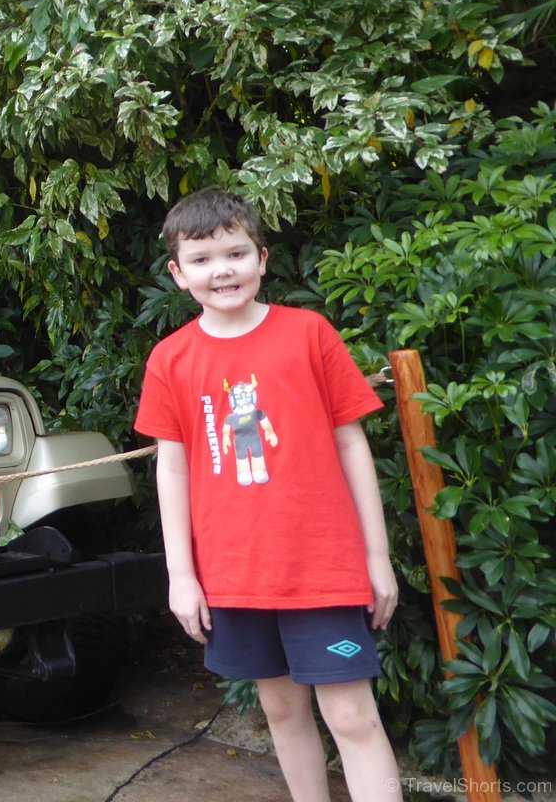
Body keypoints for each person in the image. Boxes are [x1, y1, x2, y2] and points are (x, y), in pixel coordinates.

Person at [136, 187, 401, 801]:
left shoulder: (309, 333)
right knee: (281, 710)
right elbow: (171, 470)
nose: (221, 270)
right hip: (232, 574)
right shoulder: (170, 360)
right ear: (178, 274)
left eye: (235, 253)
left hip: (322, 568)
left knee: (353, 718)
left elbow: (352, 446)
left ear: (261, 257)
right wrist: (181, 576)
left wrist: (377, 557)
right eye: (202, 259)